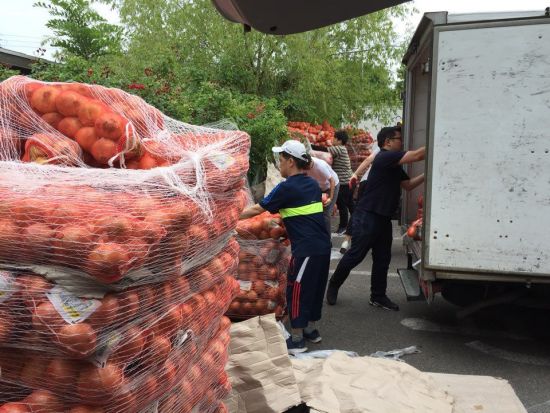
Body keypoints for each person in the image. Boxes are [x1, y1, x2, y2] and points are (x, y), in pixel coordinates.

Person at [240, 140, 331, 354]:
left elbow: (257, 210)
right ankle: (311, 331)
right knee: (315, 288)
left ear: (291, 162)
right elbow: (299, 212)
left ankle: (297, 340)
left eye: (281, 161)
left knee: (297, 290)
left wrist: (231, 217)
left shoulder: (287, 187)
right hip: (322, 246)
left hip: (306, 249)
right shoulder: (312, 184)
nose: (279, 165)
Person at [326, 126, 425, 311]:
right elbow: (419, 155)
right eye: (399, 139)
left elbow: (409, 185)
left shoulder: (394, 164)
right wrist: (439, 142)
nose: (402, 142)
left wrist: (427, 175)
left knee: (382, 259)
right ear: (387, 142)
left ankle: (378, 296)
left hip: (383, 218)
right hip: (368, 215)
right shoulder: (385, 157)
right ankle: (334, 284)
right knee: (356, 255)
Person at [312, 130, 354, 234]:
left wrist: (311, 147)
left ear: (339, 140)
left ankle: (344, 226)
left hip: (343, 182)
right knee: (350, 204)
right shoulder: (342, 149)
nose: (332, 140)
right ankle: (357, 223)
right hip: (348, 181)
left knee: (342, 204)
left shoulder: (339, 149)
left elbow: (325, 150)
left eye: (334, 138)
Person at [305, 156, 339, 235]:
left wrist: (331, 198)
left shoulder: (320, 166)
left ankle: (327, 238)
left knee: (325, 213)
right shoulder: (302, 165)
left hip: (331, 185)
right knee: (315, 209)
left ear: (311, 162)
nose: (306, 169)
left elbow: (332, 181)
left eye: (307, 166)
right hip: (319, 186)